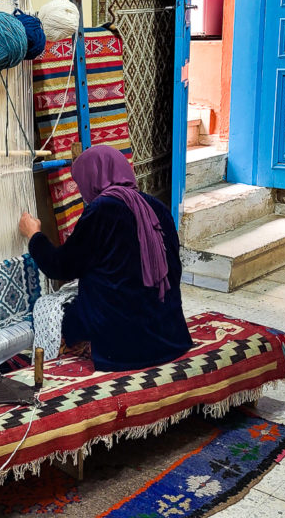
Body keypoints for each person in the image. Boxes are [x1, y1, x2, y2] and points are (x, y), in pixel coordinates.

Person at [19, 145, 192, 372]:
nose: (82, 193)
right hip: (172, 337)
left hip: (124, 350)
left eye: (81, 184)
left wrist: (34, 234)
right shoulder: (157, 207)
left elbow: (59, 266)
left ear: (92, 179)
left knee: (54, 311)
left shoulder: (102, 210)